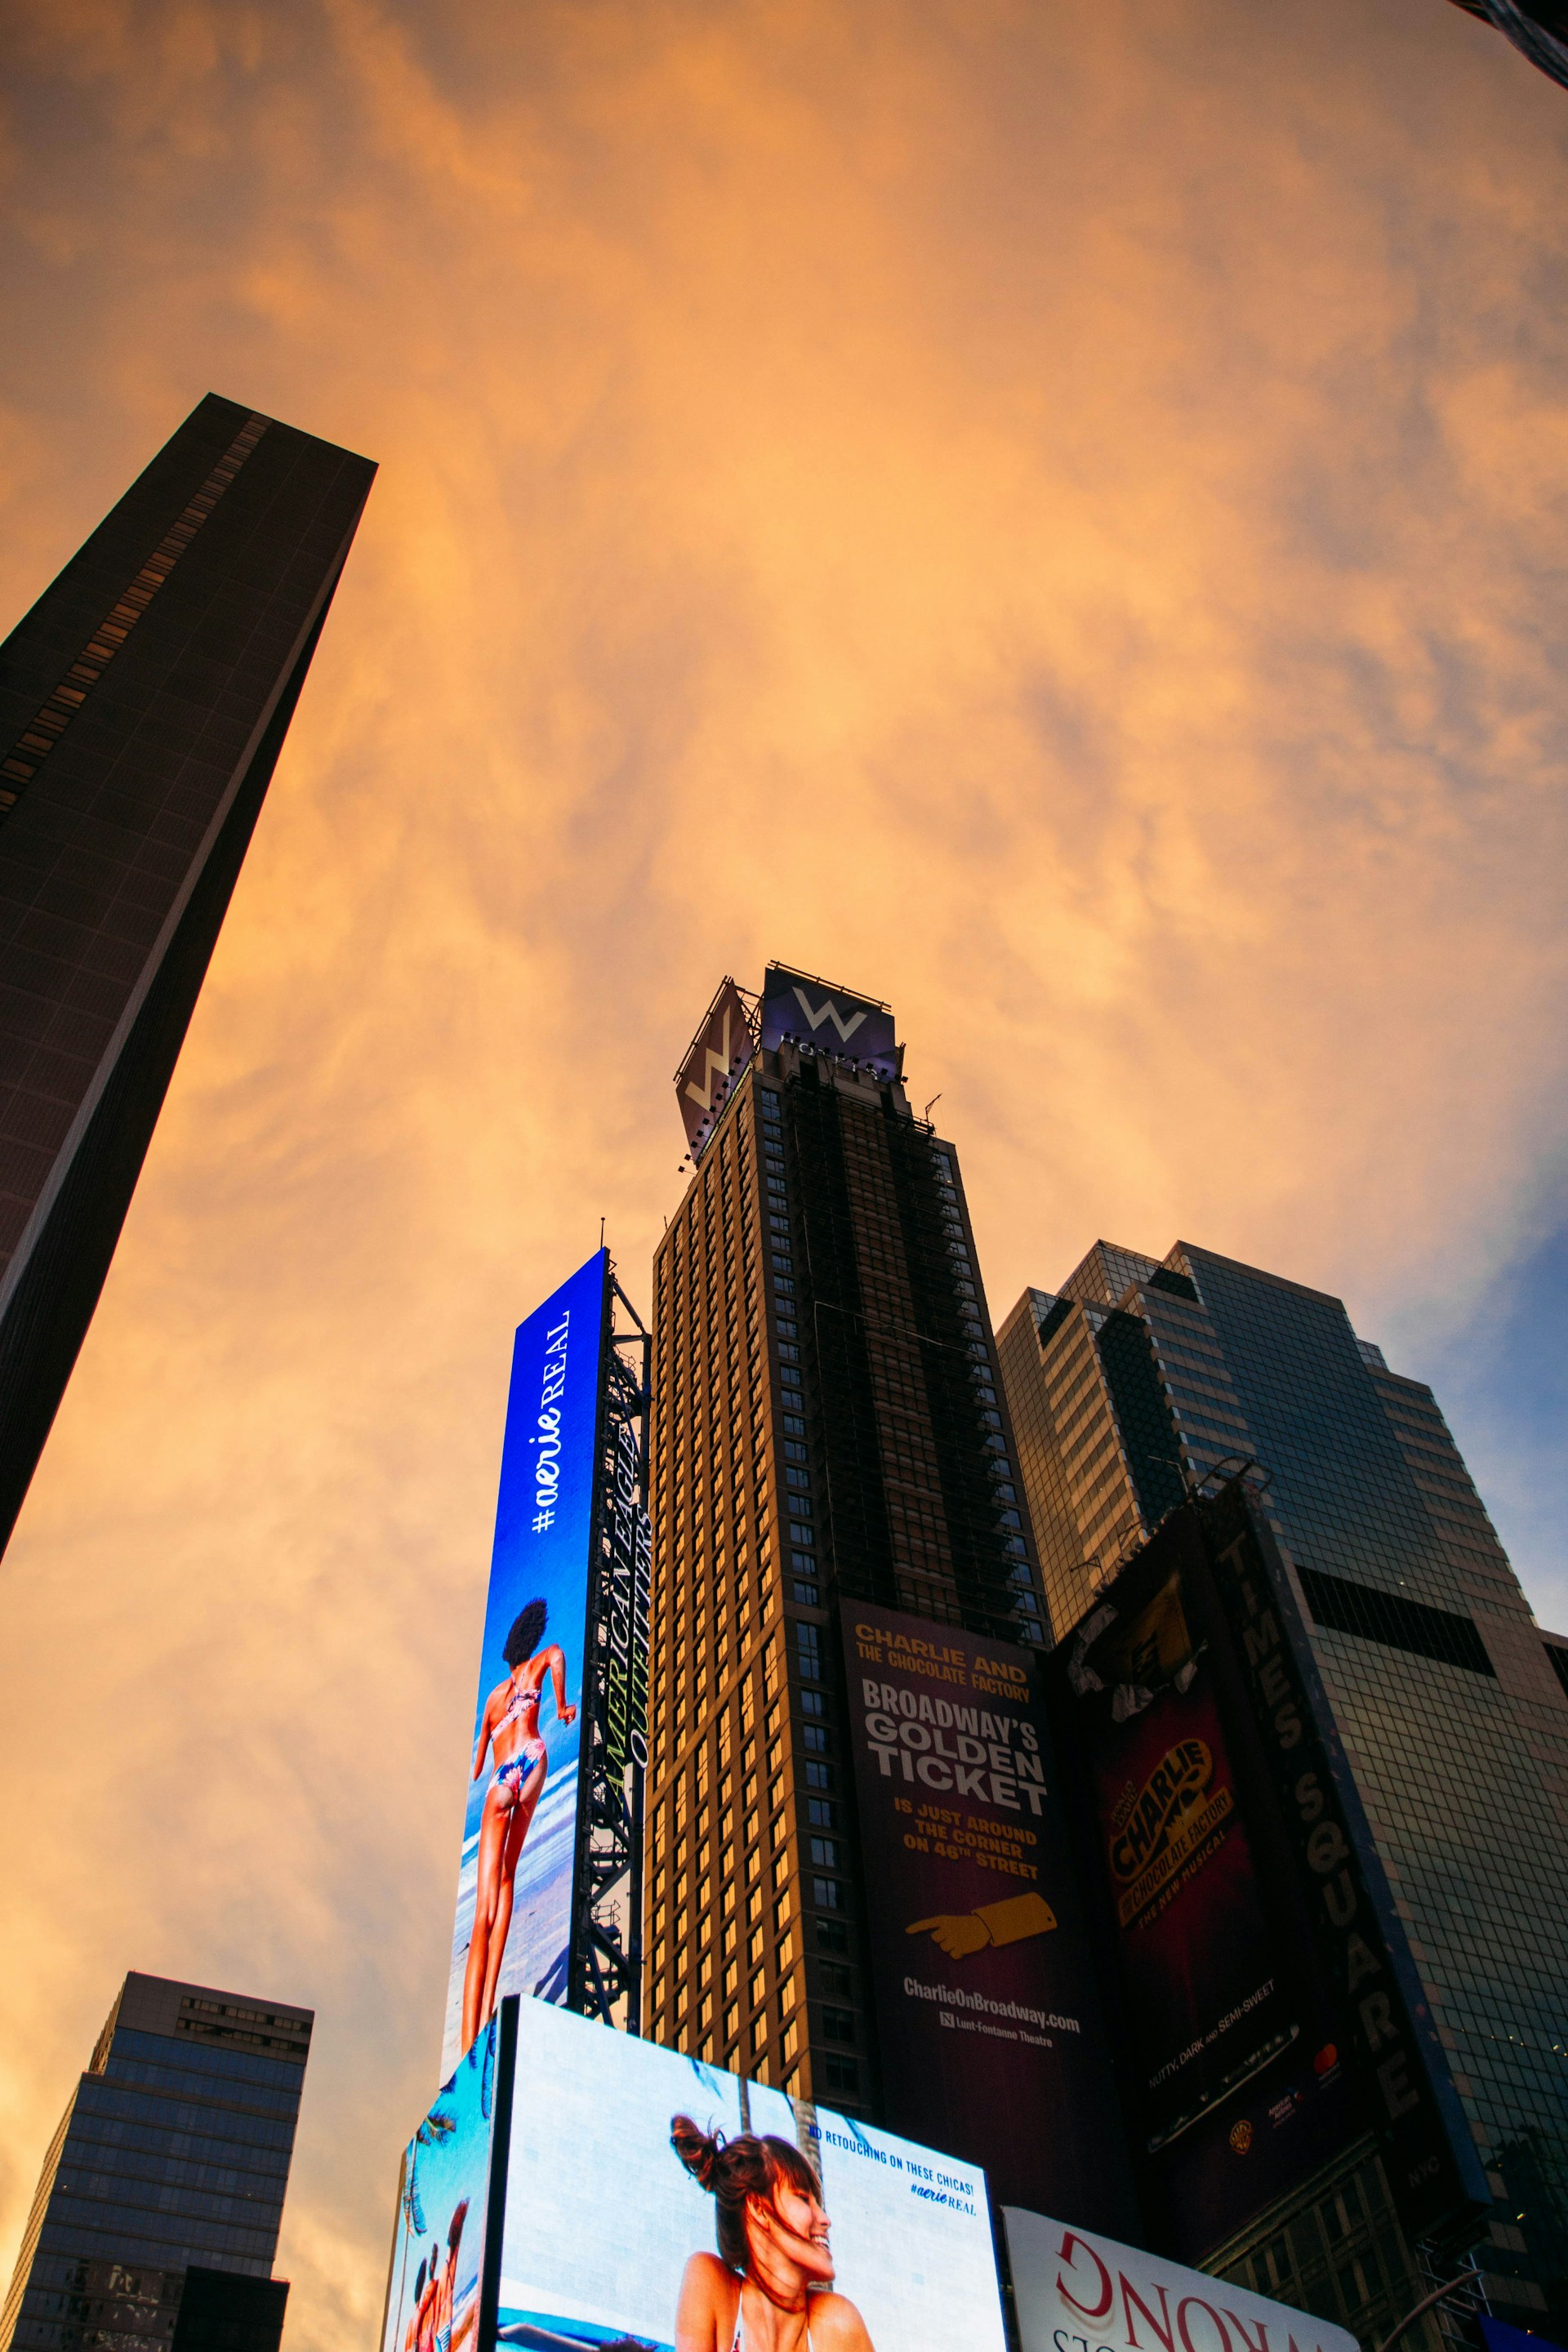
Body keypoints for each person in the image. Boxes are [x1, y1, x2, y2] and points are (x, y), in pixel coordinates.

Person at [461, 1598, 576, 2053]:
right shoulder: (536, 1670)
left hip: (504, 1774)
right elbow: (560, 1655)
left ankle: (471, 2037)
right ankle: (490, 2004)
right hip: (536, 1757)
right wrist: (562, 1705)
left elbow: (476, 1771)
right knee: (508, 1879)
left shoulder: (491, 1701)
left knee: (481, 1914)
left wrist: (483, 1744)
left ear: (507, 1648)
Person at [670, 2116, 875, 2352]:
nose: (825, 2220)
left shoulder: (838, 2323)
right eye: (803, 2198)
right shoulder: (712, 2284)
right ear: (758, 2208)